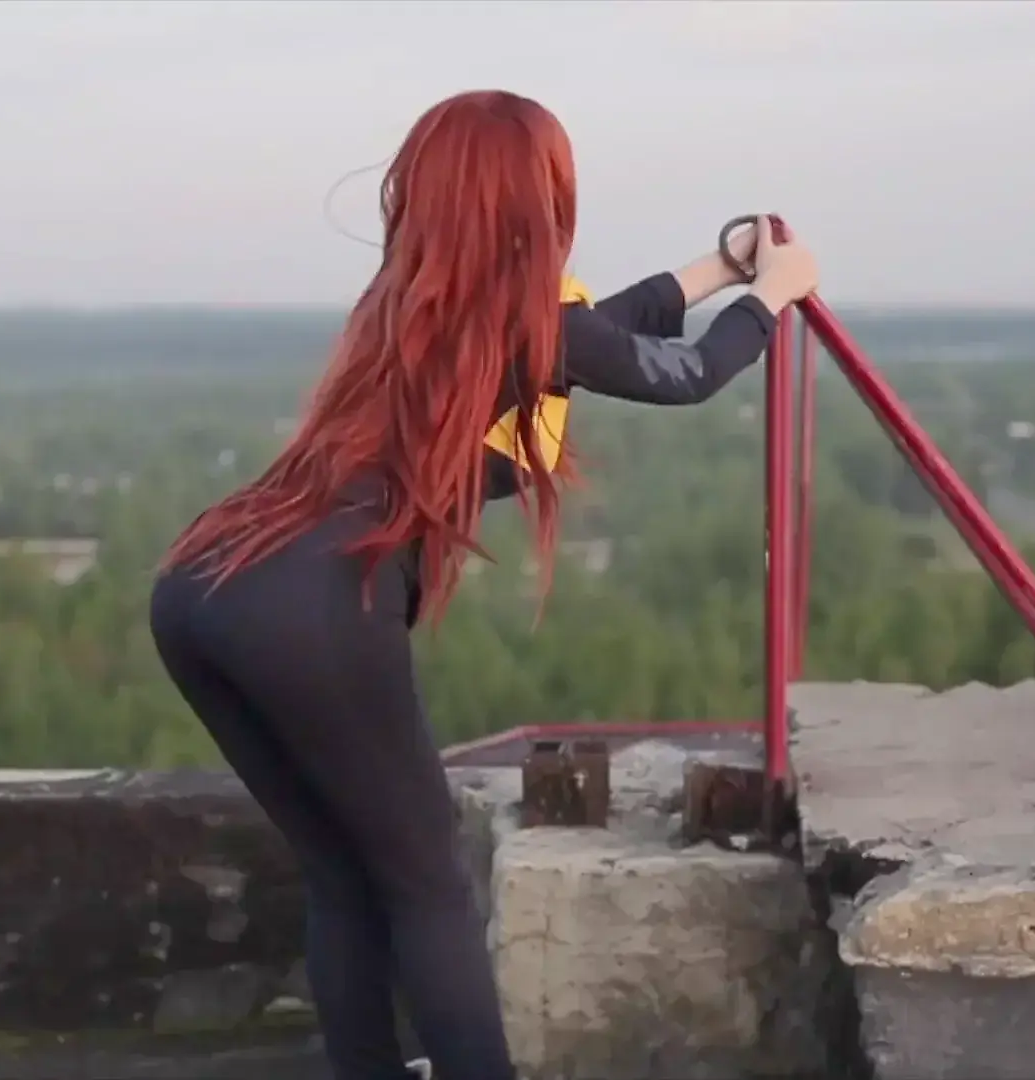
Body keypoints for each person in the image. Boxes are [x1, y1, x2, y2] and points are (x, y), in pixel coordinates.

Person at [149, 89, 819, 1080]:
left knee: (344, 875)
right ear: (538, 200)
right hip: (308, 602)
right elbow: (677, 372)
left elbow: (599, 334)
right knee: (429, 887)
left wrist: (719, 269)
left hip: (203, 585)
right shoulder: (518, 323)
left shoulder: (410, 302)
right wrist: (773, 298)